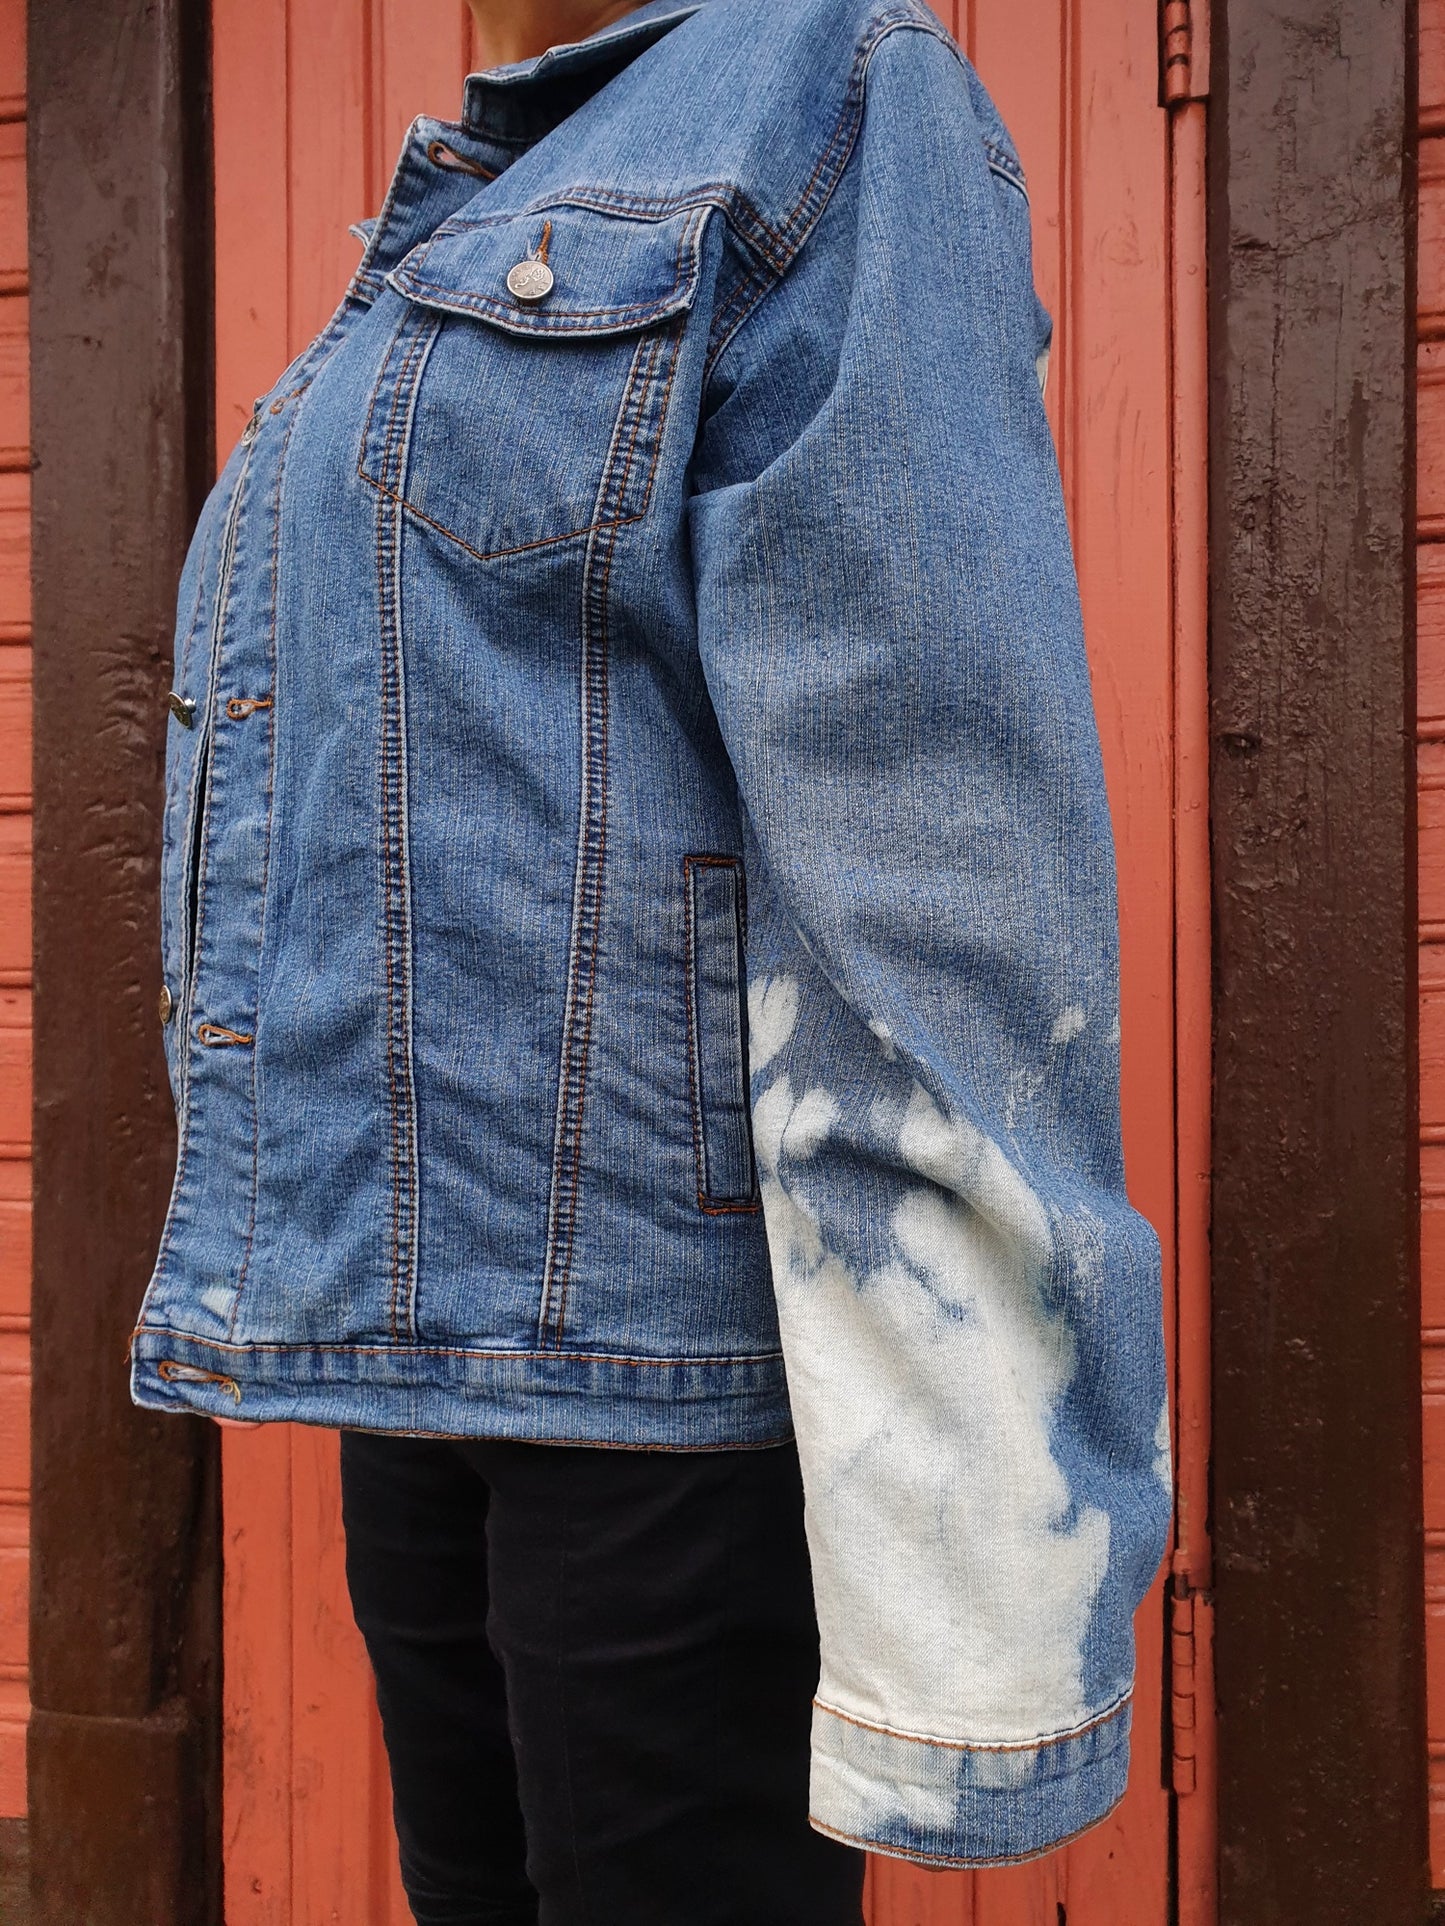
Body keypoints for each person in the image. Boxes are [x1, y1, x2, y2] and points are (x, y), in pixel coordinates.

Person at [128, 0, 1173, 1918]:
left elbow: (927, 805)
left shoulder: (829, 93)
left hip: (671, 1373)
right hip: (427, 1345)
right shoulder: (482, 191)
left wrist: (977, 1522)